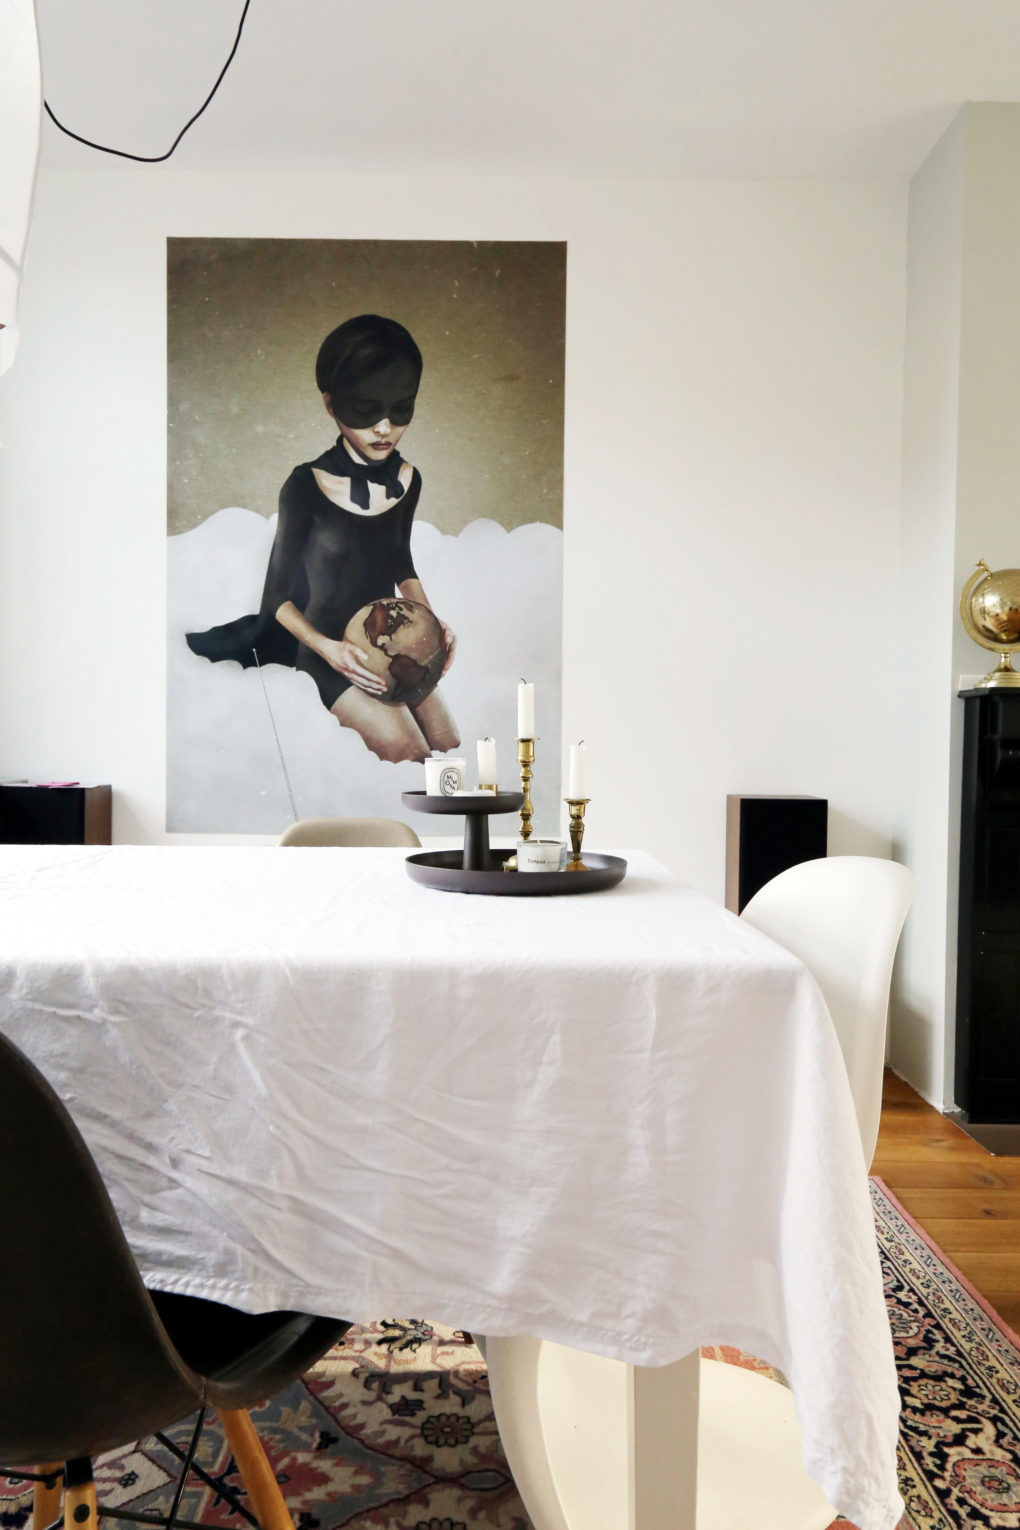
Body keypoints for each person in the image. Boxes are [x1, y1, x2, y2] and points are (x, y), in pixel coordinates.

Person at [187, 315, 459, 763]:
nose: (384, 427)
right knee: (411, 752)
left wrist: (433, 625)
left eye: (401, 409)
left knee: (448, 744)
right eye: (365, 410)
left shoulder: (409, 479)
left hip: (390, 646)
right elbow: (276, 598)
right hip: (325, 650)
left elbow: (401, 563)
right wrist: (330, 651)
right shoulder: (305, 484)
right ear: (331, 405)